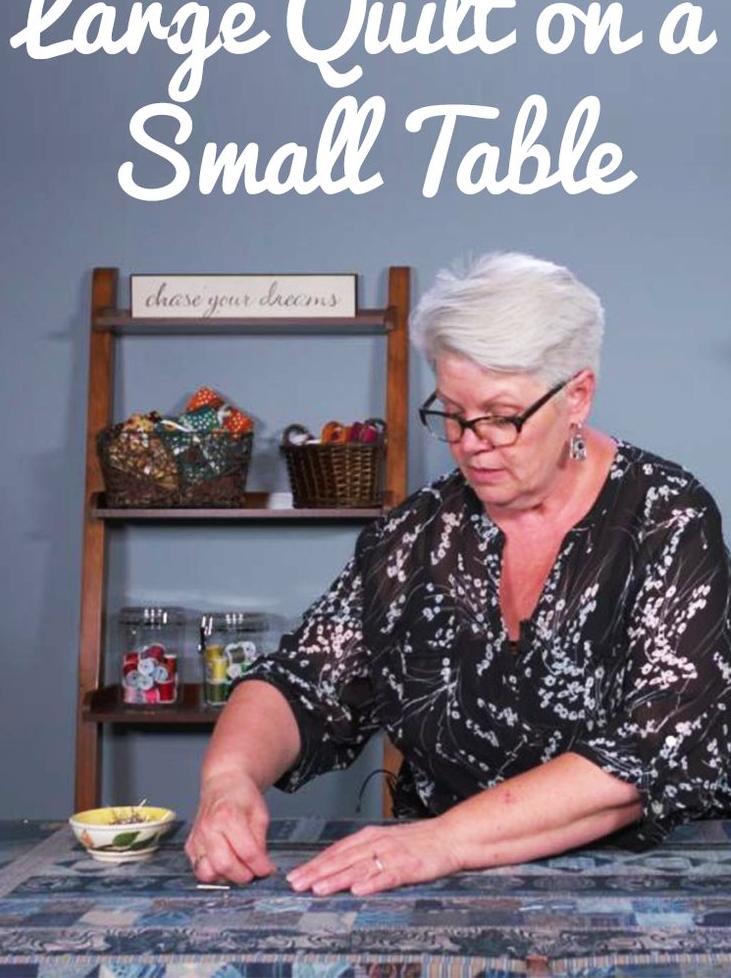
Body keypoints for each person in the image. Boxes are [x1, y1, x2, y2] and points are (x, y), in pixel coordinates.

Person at [186, 252, 731, 895]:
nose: (472, 441)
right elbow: (302, 681)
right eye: (452, 412)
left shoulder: (664, 517)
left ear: (577, 394)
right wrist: (227, 781)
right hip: (438, 890)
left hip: (647, 886)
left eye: (501, 415)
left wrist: (443, 840)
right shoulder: (418, 533)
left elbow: (659, 748)